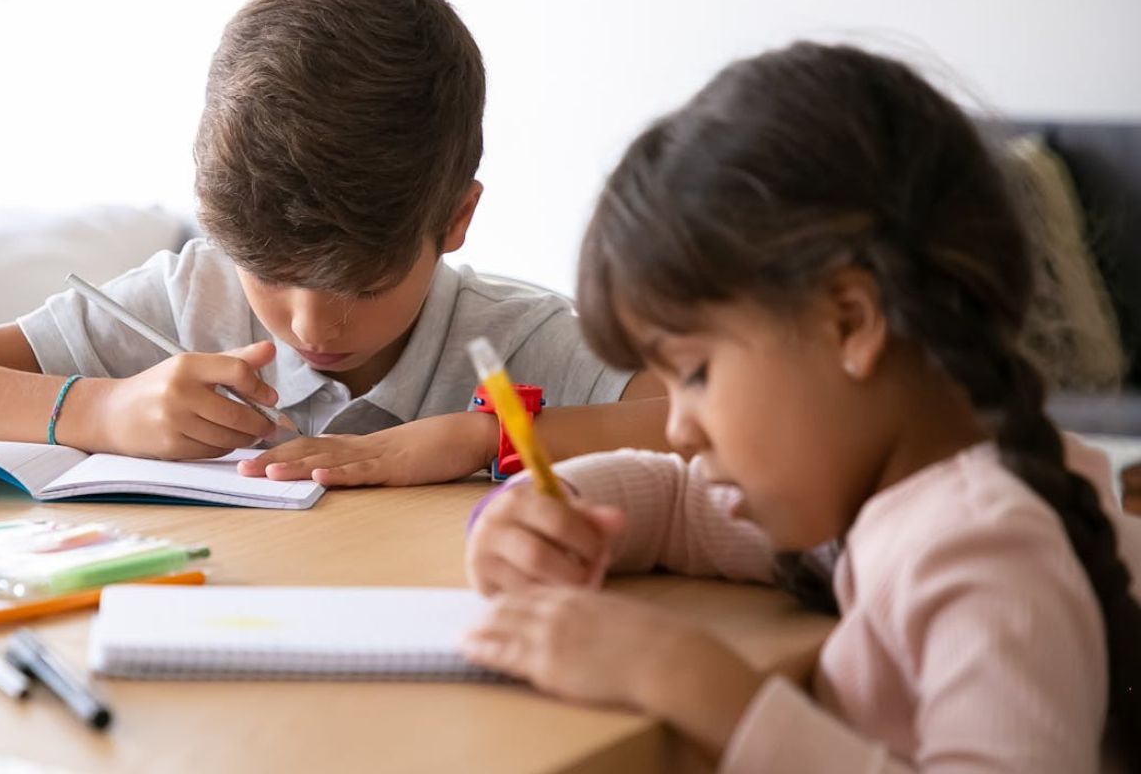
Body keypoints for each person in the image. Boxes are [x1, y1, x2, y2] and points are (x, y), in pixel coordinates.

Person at [462, 42, 1141, 771]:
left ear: (849, 323)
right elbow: (680, 504)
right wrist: (545, 507)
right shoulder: (880, 497)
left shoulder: (983, 551)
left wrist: (703, 688)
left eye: (694, 373)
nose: (677, 424)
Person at [0, 0, 665, 486]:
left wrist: (476, 440)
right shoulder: (186, 304)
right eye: (267, 272)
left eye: (364, 284)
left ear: (455, 220)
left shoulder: (516, 340)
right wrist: (100, 410)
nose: (311, 326)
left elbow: (713, 429)